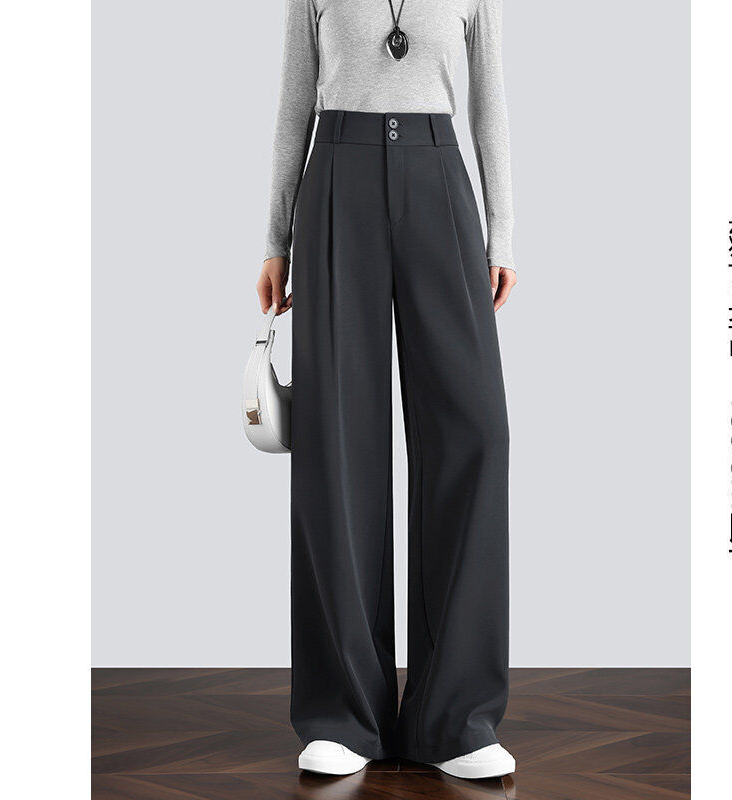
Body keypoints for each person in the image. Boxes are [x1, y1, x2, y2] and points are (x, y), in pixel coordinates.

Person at [256, 0, 517, 780]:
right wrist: (275, 238)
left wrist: (502, 232)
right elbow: (294, 105)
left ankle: (455, 718)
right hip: (337, 179)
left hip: (439, 176)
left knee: (475, 431)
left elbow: (489, 104)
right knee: (338, 441)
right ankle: (345, 713)